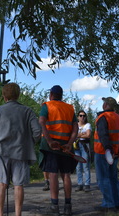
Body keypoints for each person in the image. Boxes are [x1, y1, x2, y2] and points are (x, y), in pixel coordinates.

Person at [0, 83, 42, 216]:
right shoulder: (27, 111)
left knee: (1, 184)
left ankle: (0, 214)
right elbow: (37, 132)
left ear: (4, 96)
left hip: (2, 152)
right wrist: (28, 143)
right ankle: (18, 214)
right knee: (18, 185)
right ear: (18, 95)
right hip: (21, 152)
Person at [39, 85, 78, 216]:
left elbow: (41, 122)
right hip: (66, 146)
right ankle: (68, 206)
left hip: (52, 147)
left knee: (53, 174)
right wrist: (70, 143)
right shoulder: (69, 108)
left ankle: (54, 206)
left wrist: (49, 141)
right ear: (61, 95)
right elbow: (75, 128)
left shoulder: (47, 106)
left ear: (51, 94)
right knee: (66, 174)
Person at [93, 97, 119, 213]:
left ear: (106, 105)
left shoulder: (102, 117)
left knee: (103, 179)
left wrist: (108, 149)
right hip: (115, 154)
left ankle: (109, 205)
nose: (103, 104)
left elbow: (103, 135)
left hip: (103, 153)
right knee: (114, 179)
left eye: (104, 103)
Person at [74, 110, 92, 193]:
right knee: (78, 166)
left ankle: (87, 184)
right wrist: (82, 134)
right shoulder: (75, 125)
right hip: (76, 146)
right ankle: (80, 184)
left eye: (84, 116)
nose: (82, 117)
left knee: (85, 166)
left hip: (84, 146)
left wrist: (78, 135)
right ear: (78, 117)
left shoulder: (88, 125)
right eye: (80, 115)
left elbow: (88, 135)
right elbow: (72, 135)